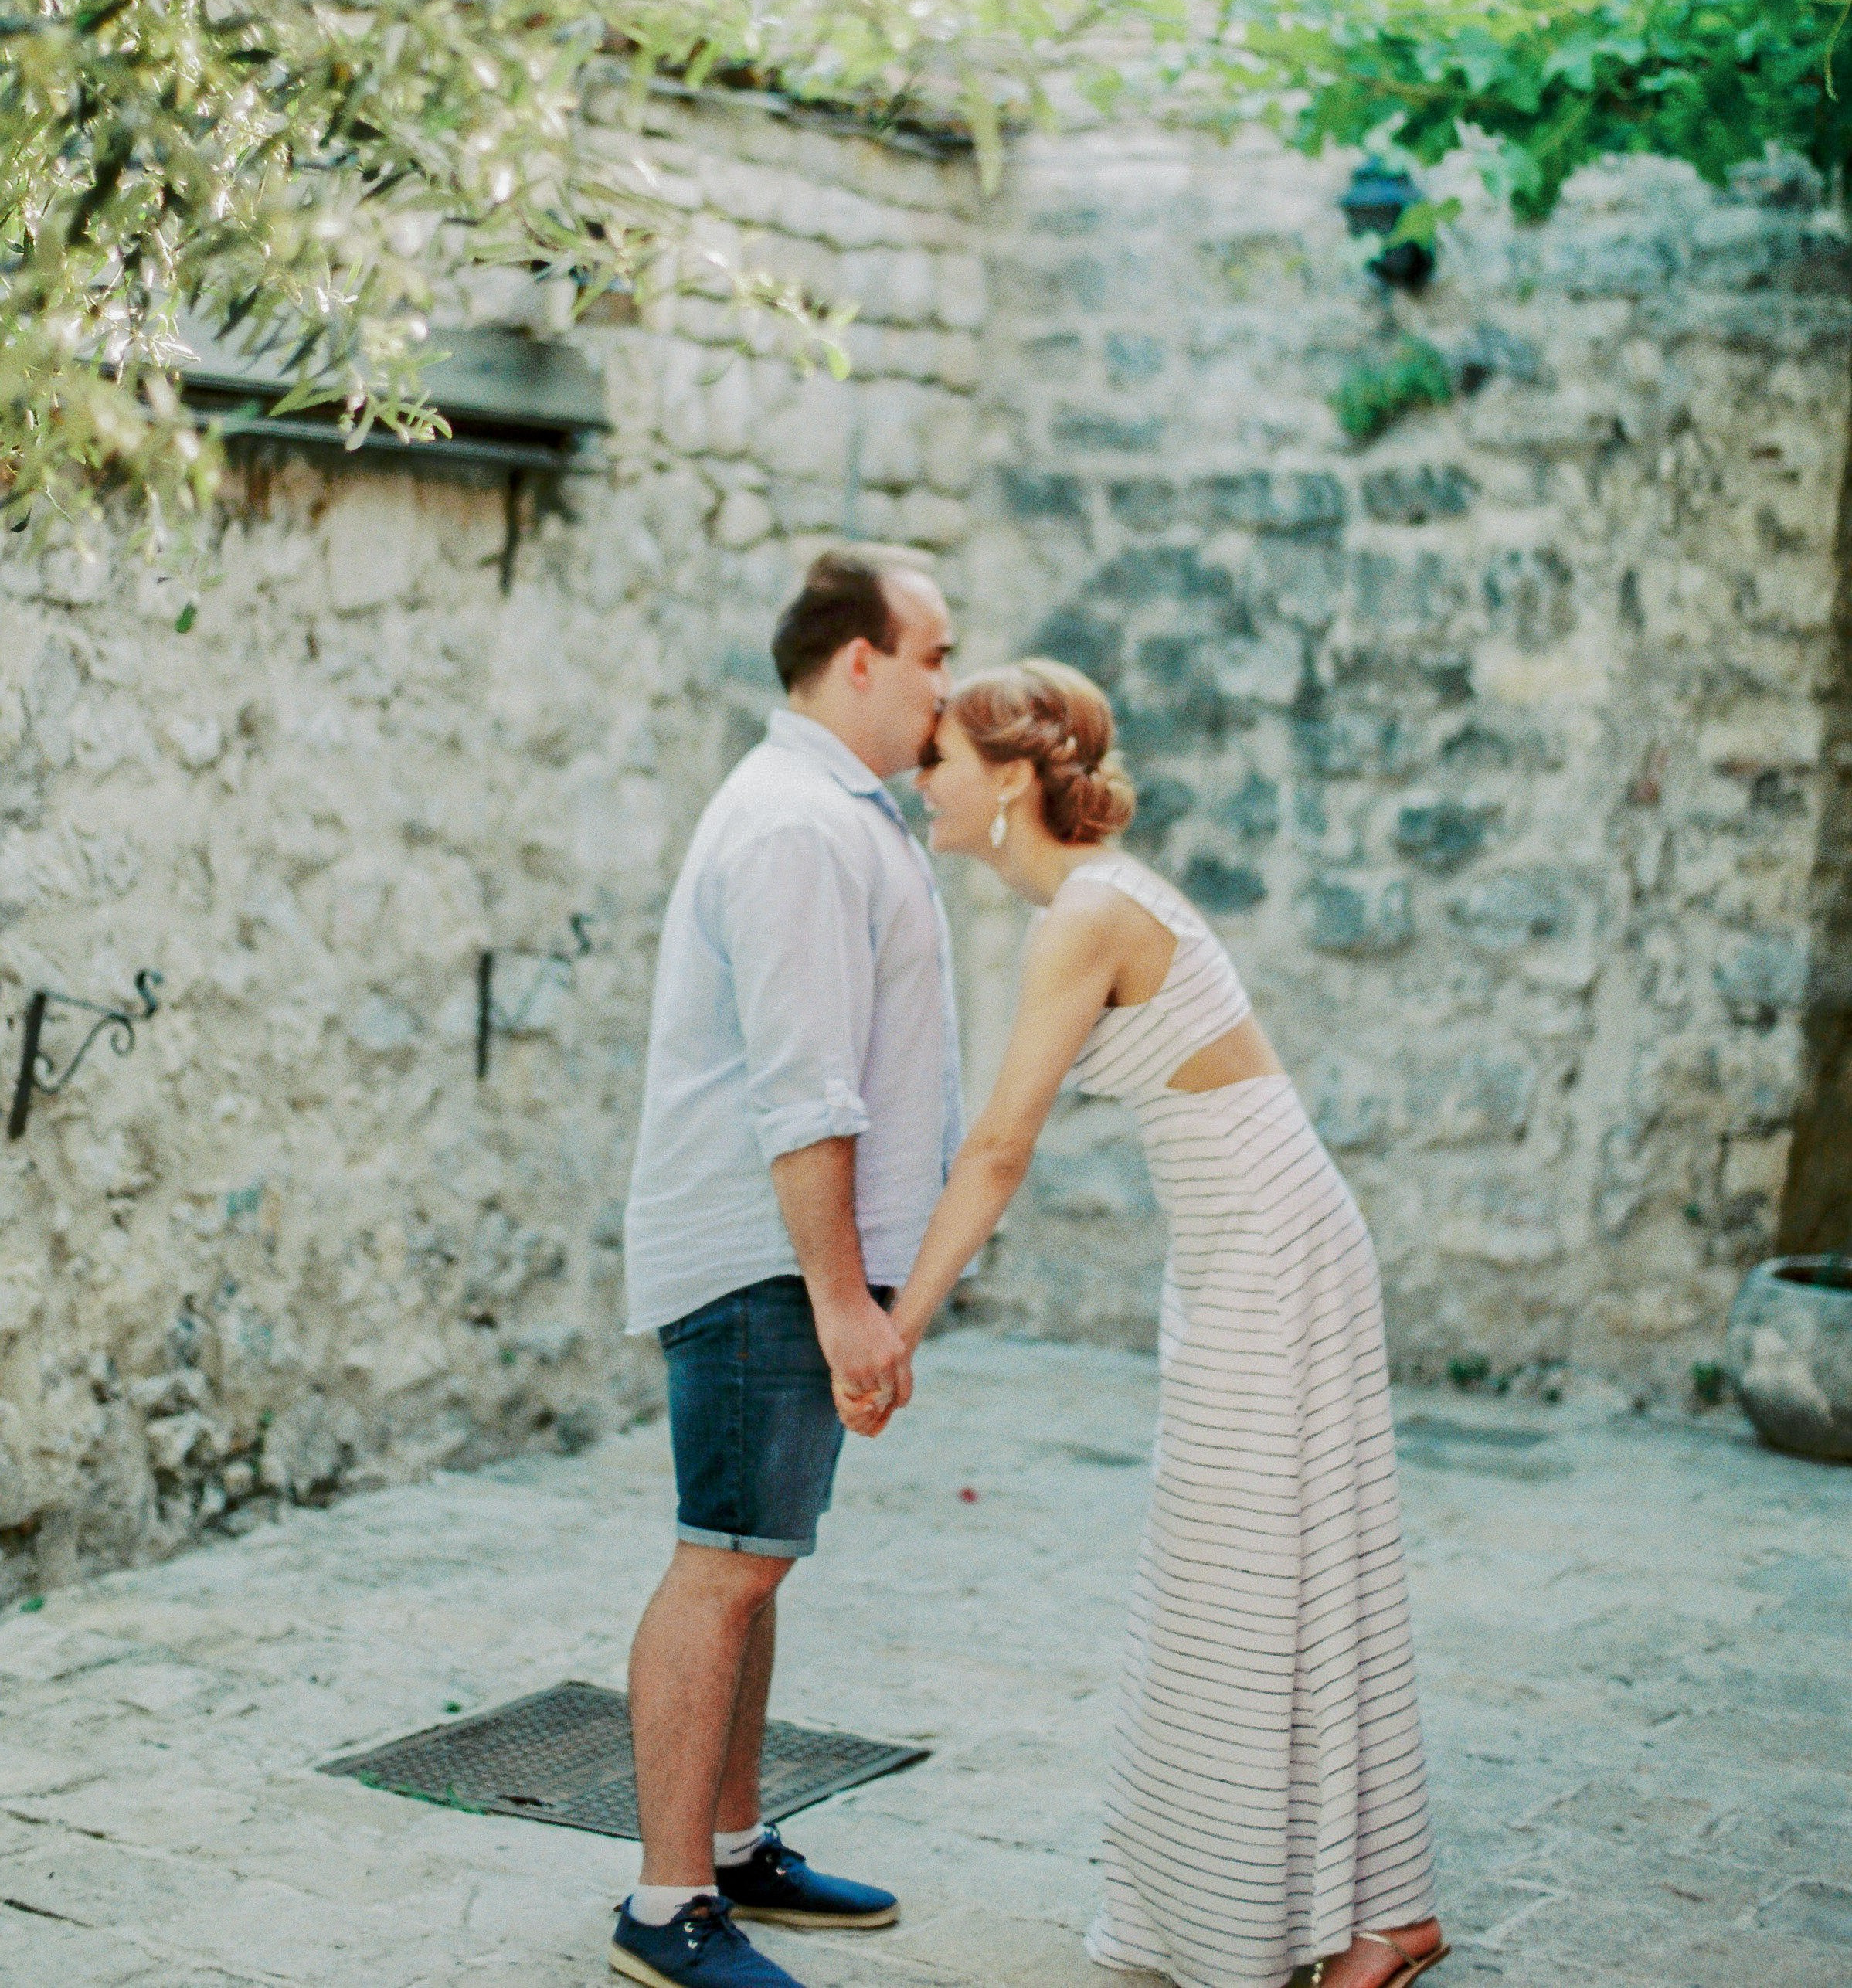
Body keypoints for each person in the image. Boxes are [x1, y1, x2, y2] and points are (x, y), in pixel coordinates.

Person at [853, 658, 1447, 1988]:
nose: (918, 780)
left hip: (1272, 1253)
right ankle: (1370, 1908)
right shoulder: (1087, 901)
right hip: (1250, 1245)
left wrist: (899, 1325)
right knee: (1266, 1573)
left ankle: (1371, 1918)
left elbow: (998, 1149)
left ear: (1010, 779)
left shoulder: (1086, 911)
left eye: (939, 760)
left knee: (1257, 1577)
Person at [612, 545, 963, 1988]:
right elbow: (804, 1089)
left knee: (757, 1563)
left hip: (795, 1263)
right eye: (935, 654)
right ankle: (664, 1904)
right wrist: (836, 1299)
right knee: (722, 1567)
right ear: (859, 659)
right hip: (768, 1263)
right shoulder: (795, 826)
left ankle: (734, 1843)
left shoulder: (835, 810)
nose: (949, 685)